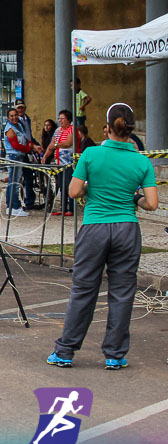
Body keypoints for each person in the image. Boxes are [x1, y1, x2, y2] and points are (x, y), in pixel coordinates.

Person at [47, 103, 158, 370]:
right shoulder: (142, 161)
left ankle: (65, 351)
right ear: (129, 130)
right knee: (122, 292)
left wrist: (90, 186)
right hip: (127, 229)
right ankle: (115, 354)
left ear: (107, 127)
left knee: (84, 289)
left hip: (95, 227)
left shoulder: (91, 154)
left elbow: (73, 192)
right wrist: (133, 197)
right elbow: (152, 204)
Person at [3, 106, 38, 217]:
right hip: (14, 157)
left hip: (19, 156)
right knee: (14, 182)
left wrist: (33, 146)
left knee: (15, 182)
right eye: (11, 116)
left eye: (15, 115)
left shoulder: (19, 126)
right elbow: (15, 145)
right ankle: (14, 206)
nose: (14, 117)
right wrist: (28, 149)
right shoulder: (10, 129)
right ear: (8, 117)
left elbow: (26, 139)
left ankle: (11, 206)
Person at [43, 110, 76, 216]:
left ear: (68, 120)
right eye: (59, 119)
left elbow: (68, 143)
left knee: (68, 184)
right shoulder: (57, 130)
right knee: (61, 184)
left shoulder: (72, 129)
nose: (60, 121)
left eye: (63, 119)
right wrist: (45, 156)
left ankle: (70, 208)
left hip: (68, 162)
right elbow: (51, 145)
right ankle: (62, 207)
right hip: (58, 162)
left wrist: (56, 145)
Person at [15, 101, 41, 210]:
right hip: (22, 150)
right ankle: (17, 202)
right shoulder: (16, 121)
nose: (20, 110)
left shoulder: (27, 119)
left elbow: (29, 135)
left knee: (29, 175)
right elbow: (22, 137)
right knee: (20, 176)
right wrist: (31, 146)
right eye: (18, 108)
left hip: (29, 148)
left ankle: (30, 200)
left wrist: (36, 145)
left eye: (22, 108)